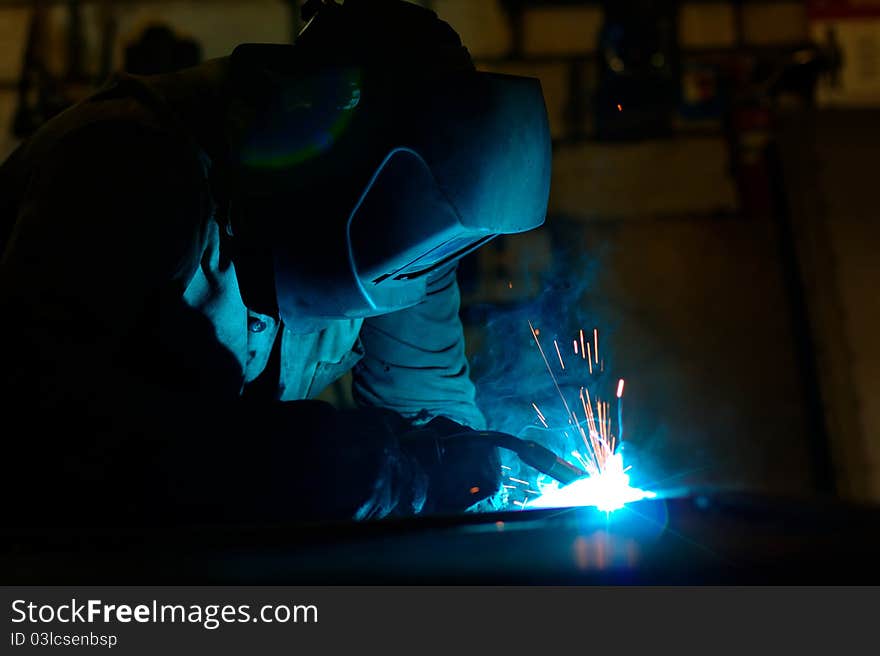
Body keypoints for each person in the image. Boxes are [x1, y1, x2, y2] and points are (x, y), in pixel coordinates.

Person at [0, 0, 551, 528]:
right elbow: (69, 442)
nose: (418, 270)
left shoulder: (412, 216)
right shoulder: (123, 170)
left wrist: (461, 465)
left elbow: (429, 410)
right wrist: (325, 464)